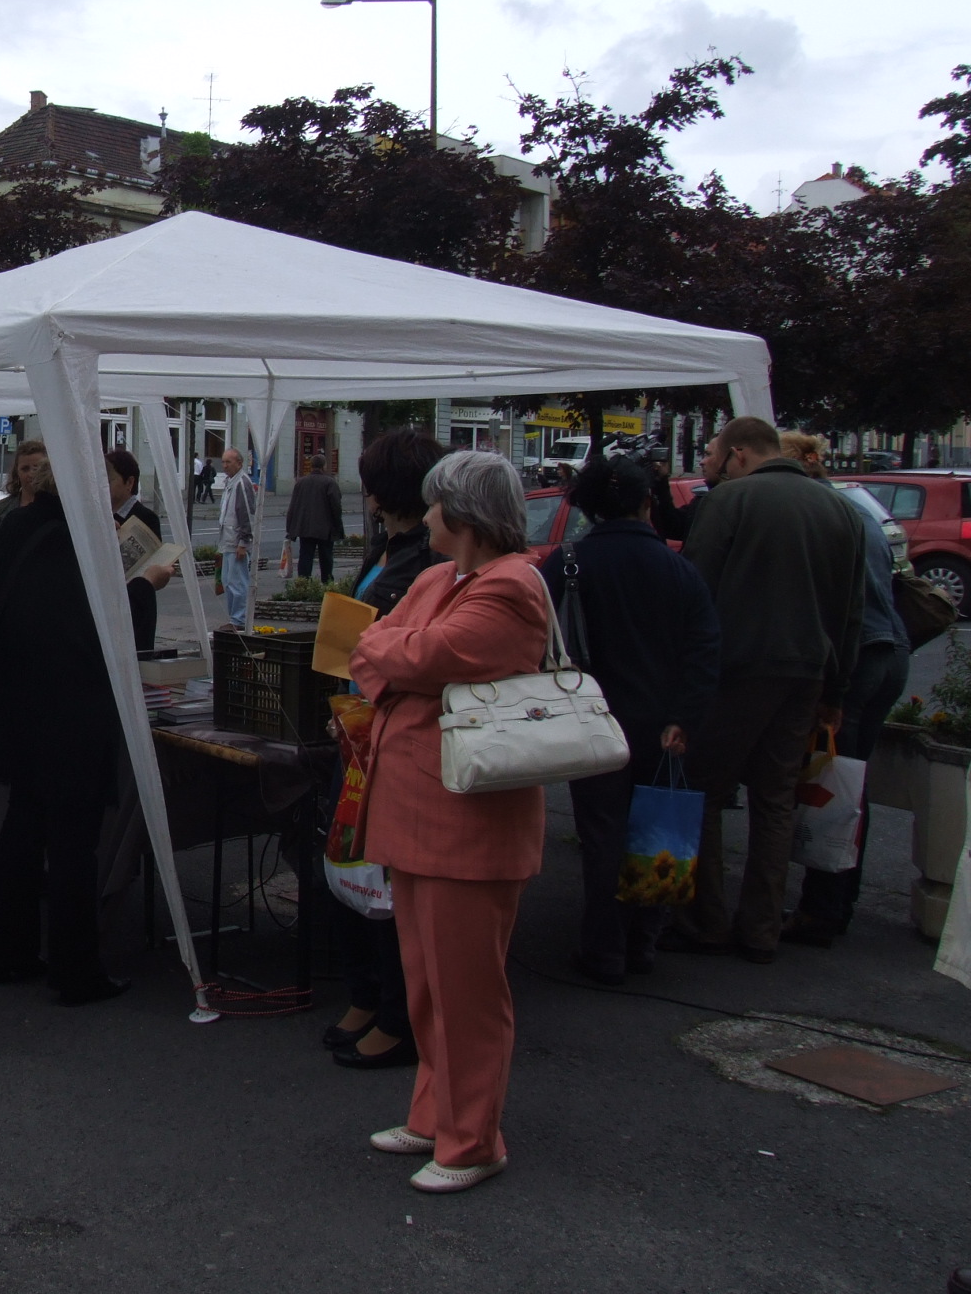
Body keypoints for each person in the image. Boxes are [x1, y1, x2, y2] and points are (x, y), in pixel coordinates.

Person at [351, 449, 551, 1193]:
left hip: (469, 821)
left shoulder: (512, 587)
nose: (425, 514)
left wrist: (392, 652)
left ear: (464, 514)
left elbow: (417, 651)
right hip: (418, 811)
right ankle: (435, 1116)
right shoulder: (442, 578)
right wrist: (396, 654)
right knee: (427, 983)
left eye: (436, 504)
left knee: (467, 991)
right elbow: (379, 652)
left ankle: (472, 1141)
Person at [668, 417, 865, 962]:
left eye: (712, 454)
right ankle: (761, 929)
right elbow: (851, 610)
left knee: (703, 789)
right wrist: (836, 691)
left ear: (739, 454)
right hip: (807, 671)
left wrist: (682, 677)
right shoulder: (841, 509)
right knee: (775, 798)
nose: (708, 464)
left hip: (737, 669)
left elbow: (695, 589)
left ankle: (704, 921)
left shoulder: (729, 502)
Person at [541, 455, 720, 984]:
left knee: (602, 835)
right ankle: (644, 941)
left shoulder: (566, 562)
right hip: (662, 724)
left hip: (590, 720)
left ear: (588, 508)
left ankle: (604, 950)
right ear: (647, 502)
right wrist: (684, 717)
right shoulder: (679, 568)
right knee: (656, 832)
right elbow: (703, 649)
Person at [0, 454, 129, 1007]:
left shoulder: (18, 524)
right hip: (71, 707)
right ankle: (75, 970)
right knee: (72, 842)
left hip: (20, 699)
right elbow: (96, 625)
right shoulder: (80, 537)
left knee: (23, 825)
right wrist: (144, 585)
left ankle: (9, 951)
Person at [321, 425, 446, 1071]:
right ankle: (367, 995)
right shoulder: (392, 547)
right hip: (360, 730)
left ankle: (397, 1014)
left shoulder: (426, 560)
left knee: (387, 882)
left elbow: (407, 652)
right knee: (351, 867)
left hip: (392, 735)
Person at [782, 432, 912, 947]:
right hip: (891, 650)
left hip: (859, 659)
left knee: (833, 783)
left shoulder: (819, 512)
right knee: (849, 782)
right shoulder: (855, 506)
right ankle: (838, 899)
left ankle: (824, 907)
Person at [107, 447, 174, 651]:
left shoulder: (145, 517)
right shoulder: (100, 514)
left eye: (110, 480)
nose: (104, 485)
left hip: (135, 603)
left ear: (129, 482)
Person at [281, 451, 345, 582]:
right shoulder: (329, 482)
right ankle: (327, 583)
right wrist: (338, 526)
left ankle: (303, 583)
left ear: (311, 466)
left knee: (305, 556)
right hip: (325, 528)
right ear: (324, 466)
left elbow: (293, 506)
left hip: (305, 527)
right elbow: (336, 507)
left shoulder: (301, 482)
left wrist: (290, 528)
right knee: (326, 557)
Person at [217, 446, 258, 628]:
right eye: (223, 462)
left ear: (239, 463)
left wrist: (243, 542)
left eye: (228, 462)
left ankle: (239, 620)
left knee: (237, 582)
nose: (225, 465)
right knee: (228, 581)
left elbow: (246, 514)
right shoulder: (231, 482)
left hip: (236, 542)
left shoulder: (241, 483)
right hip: (228, 541)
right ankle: (234, 618)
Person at [0, 440, 47, 540]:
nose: (31, 474)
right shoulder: (2, 509)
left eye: (37, 468)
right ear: (17, 473)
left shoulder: (61, 507)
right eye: (25, 469)